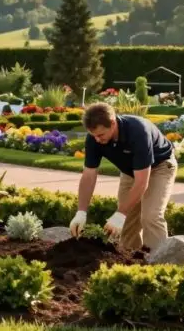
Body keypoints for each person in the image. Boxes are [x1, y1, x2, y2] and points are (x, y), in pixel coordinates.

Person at [69, 102, 178, 252]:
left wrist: (120, 214)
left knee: (150, 217)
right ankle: (131, 263)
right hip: (131, 171)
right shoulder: (94, 139)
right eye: (93, 135)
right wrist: (81, 212)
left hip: (160, 166)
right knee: (126, 222)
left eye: (100, 135)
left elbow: (141, 182)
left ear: (113, 123)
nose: (97, 140)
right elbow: (88, 175)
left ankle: (158, 263)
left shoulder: (138, 131)